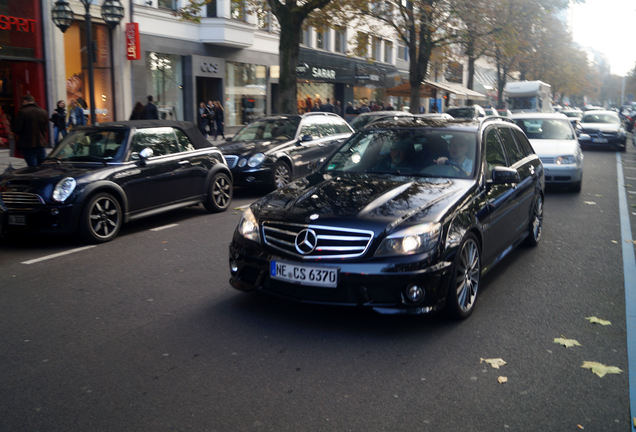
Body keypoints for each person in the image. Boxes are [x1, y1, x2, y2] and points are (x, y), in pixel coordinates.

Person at [12, 94, 49, 167]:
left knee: (32, 167)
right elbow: (45, 128)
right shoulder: (43, 111)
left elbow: (17, 129)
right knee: (42, 166)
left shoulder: (22, 112)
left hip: (27, 143)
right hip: (40, 143)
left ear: (25, 101)